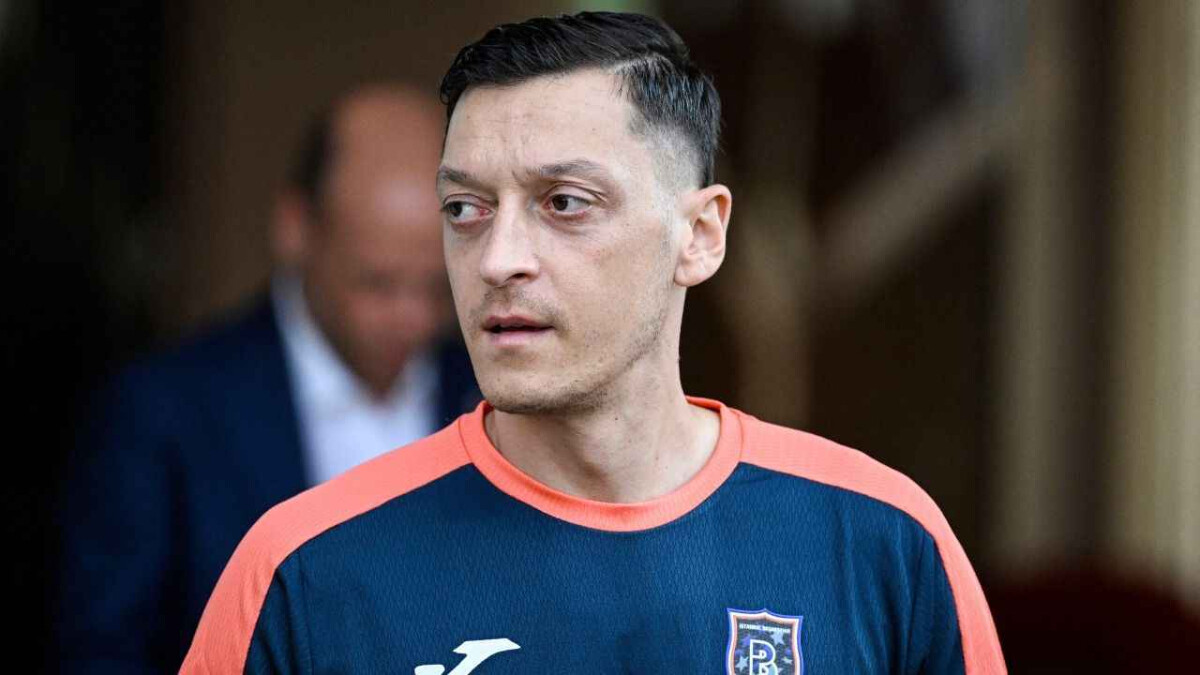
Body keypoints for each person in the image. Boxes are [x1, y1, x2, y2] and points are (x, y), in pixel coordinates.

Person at [181, 12, 1006, 674]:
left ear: (700, 235)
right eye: (465, 209)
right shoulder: (306, 570)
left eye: (565, 202)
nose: (498, 259)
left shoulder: (882, 543)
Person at [57, 86, 480, 672]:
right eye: (378, 283)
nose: (414, 318)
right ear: (295, 228)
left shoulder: (491, 393)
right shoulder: (161, 412)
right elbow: (102, 652)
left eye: (438, 287)